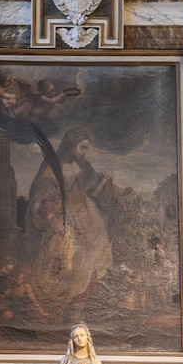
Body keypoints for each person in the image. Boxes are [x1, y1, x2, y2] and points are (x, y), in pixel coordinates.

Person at [24, 127, 114, 316]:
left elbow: (92, 188)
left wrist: (105, 180)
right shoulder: (52, 168)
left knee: (89, 258)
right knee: (65, 260)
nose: (83, 152)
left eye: (86, 149)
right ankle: (52, 308)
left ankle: (78, 306)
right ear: (71, 144)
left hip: (85, 216)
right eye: (82, 147)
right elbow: (44, 193)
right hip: (61, 217)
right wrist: (50, 217)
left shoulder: (83, 165)